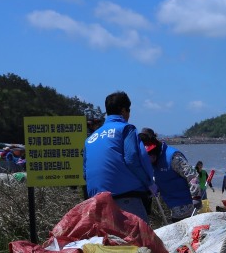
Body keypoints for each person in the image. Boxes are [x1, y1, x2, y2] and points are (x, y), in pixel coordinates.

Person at [83, 91, 157, 223]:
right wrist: (149, 183)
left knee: (110, 236)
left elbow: (85, 173)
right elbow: (132, 159)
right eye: (129, 110)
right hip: (126, 197)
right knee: (141, 235)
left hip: (97, 203)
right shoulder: (126, 129)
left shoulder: (90, 139)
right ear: (123, 111)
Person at [140, 128, 200, 220]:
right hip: (172, 206)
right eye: (147, 154)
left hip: (187, 205)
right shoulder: (153, 162)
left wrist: (196, 197)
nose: (150, 157)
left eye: (151, 153)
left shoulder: (173, 157)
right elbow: (161, 178)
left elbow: (192, 176)